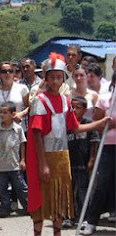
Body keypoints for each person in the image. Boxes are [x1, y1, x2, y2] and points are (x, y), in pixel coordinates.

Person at [26, 53, 110, 236]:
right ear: (46, 77)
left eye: (59, 77)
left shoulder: (65, 100)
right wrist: (42, 164)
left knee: (59, 200)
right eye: (52, 77)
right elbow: (36, 134)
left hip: (62, 158)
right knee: (42, 200)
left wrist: (98, 123)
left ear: (64, 78)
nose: (55, 81)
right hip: (45, 156)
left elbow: (75, 127)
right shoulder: (39, 101)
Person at [84, 72, 116, 235]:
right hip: (108, 147)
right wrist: (107, 124)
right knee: (101, 184)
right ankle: (91, 221)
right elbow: (97, 124)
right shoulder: (105, 99)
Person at [61, 96, 99, 229]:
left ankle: (84, 218)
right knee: (68, 191)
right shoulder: (66, 125)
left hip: (83, 163)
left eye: (78, 108)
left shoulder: (88, 123)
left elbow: (94, 143)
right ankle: (68, 217)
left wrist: (92, 159)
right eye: (72, 107)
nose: (75, 110)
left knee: (83, 191)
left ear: (84, 110)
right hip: (69, 163)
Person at [0, 101, 27, 218]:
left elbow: (22, 145)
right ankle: (5, 208)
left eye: (5, 112)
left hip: (14, 165)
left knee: (21, 187)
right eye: (1, 113)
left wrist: (23, 160)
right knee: (2, 189)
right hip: (1, 166)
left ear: (13, 114)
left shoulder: (18, 129)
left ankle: (28, 206)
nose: (2, 115)